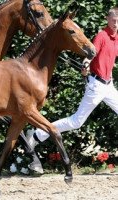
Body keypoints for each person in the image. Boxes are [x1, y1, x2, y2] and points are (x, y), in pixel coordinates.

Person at [26, 6, 118, 173]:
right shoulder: (102, 35)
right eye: (114, 20)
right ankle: (38, 134)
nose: (116, 24)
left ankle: (38, 134)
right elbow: (90, 53)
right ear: (107, 19)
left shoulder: (116, 37)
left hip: (108, 85)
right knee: (76, 122)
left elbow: (109, 60)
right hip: (96, 87)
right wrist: (85, 65)